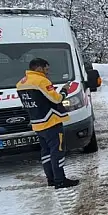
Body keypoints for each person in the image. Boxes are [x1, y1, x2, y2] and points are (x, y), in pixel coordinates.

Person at [16, 58, 80, 189]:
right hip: (51, 122)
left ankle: (51, 179)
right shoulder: (41, 81)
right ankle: (60, 180)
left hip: (37, 123)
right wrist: (64, 91)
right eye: (46, 69)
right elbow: (56, 99)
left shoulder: (21, 83)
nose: (47, 72)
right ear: (39, 68)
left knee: (46, 152)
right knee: (57, 151)